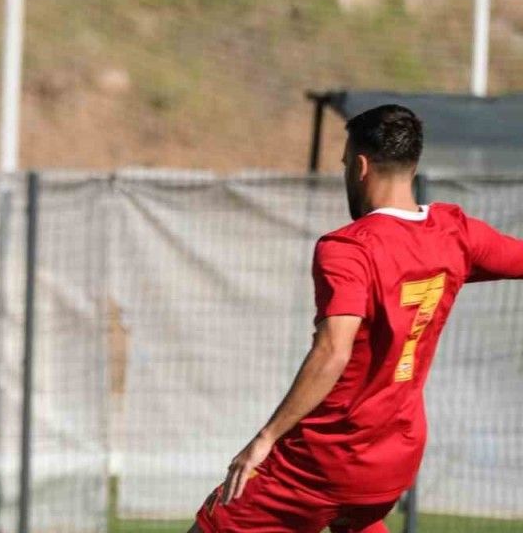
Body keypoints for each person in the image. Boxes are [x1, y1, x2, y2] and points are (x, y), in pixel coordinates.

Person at [190, 105, 523, 533]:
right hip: (394, 462)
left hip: (324, 461)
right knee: (355, 516)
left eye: (346, 163)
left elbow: (333, 351)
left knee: (216, 521)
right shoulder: (455, 232)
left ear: (361, 166)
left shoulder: (350, 249)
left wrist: (265, 438)